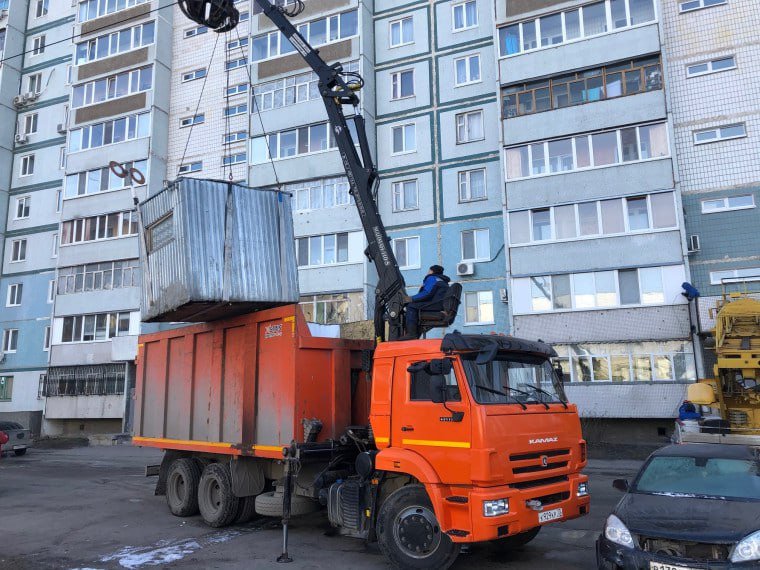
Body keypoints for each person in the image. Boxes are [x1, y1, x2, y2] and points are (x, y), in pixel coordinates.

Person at [402, 265, 451, 340]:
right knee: (414, 305)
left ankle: (411, 334)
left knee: (411, 306)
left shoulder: (432, 278)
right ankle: (414, 334)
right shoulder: (442, 280)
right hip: (439, 304)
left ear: (432, 271)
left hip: (434, 304)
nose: (427, 272)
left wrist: (410, 299)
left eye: (429, 271)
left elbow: (427, 293)